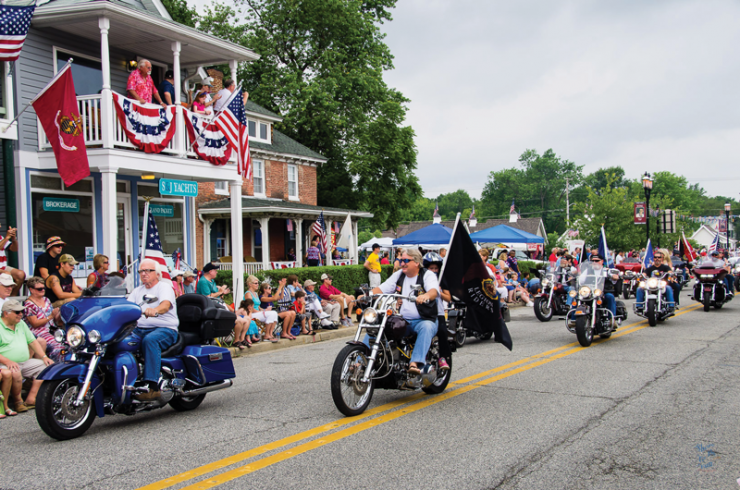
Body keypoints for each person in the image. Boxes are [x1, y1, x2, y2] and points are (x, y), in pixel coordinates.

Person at [368, 249, 439, 375]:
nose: (402, 263)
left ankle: (414, 363)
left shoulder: (427, 275)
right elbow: (382, 288)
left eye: (406, 260)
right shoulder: (399, 274)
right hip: (403, 320)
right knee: (376, 326)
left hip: (424, 319)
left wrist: (425, 296)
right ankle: (360, 360)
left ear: (417, 262)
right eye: (401, 260)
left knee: (427, 327)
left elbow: (433, 291)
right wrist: (364, 295)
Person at [127, 260, 178, 401]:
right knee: (121, 341)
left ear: (157, 273)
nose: (144, 274)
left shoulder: (164, 287)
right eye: (141, 271)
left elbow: (166, 305)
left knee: (150, 340)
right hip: (139, 329)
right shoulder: (137, 291)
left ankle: (152, 386)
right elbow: (127, 307)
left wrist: (155, 310)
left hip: (165, 328)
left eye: (148, 271)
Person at [1, 299, 55, 416]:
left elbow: (32, 341)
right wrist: (8, 361)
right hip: (5, 363)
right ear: (6, 313)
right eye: (17, 312)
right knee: (15, 372)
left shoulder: (21, 324)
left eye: (21, 312)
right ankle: (18, 402)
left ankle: (31, 398)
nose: (21, 315)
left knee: (47, 367)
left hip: (24, 362)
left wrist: (44, 356)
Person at [422, 252, 450, 371]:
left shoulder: (442, 280)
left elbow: (448, 298)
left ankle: (443, 357)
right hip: (424, 312)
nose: (433, 270)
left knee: (442, 332)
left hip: (438, 312)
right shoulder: (422, 279)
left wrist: (439, 292)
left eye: (435, 268)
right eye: (431, 268)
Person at [23, 277, 62, 361]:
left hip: (51, 330)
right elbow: (34, 323)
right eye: (39, 289)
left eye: (44, 288)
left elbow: (53, 320)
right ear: (31, 290)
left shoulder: (46, 300)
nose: (43, 290)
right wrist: (50, 316)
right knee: (58, 347)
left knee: (69, 343)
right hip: (38, 332)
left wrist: (58, 314)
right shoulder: (29, 305)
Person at [585, 253, 621, 324]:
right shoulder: (587, 271)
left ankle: (612, 319)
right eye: (592, 261)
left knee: (610, 297)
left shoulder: (606, 271)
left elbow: (615, 279)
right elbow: (581, 280)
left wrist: (614, 277)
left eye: (597, 261)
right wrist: (575, 278)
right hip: (590, 293)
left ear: (602, 261)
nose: (594, 262)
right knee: (577, 297)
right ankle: (574, 319)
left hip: (604, 292)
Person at [244, 275, 279, 342]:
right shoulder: (248, 294)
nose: (258, 285)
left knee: (274, 313)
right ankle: (266, 335)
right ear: (250, 284)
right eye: (256, 283)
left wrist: (264, 310)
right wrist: (261, 312)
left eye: (258, 283)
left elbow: (259, 307)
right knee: (271, 314)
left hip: (257, 313)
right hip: (252, 314)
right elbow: (250, 308)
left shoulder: (255, 294)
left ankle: (270, 334)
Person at [0, 224, 24, 296]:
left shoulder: (1, 237)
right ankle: (4, 298)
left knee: (20, 274)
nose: (0, 226)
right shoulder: (4, 238)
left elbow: (14, 249)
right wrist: (7, 237)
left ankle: (12, 297)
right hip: (2, 270)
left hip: (3, 266)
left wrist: (13, 238)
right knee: (6, 274)